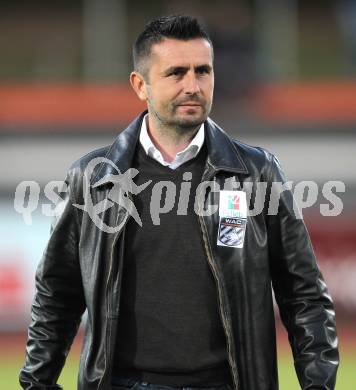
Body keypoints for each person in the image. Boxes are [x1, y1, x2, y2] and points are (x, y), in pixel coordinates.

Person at [19, 15, 339, 390]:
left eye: (203, 71)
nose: (193, 85)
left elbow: (305, 297)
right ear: (141, 85)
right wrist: (37, 382)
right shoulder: (92, 178)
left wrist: (318, 385)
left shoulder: (258, 173)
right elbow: (57, 294)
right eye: (176, 73)